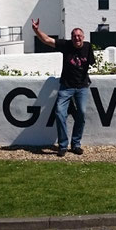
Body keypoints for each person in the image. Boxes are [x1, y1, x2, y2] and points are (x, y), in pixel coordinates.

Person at [32, 18, 95, 157]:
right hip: (66, 87)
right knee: (60, 113)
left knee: (82, 113)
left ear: (83, 37)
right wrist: (36, 30)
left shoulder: (88, 47)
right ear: (71, 37)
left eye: (79, 36)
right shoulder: (66, 45)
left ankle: (76, 144)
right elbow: (48, 40)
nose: (76, 38)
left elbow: (91, 64)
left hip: (82, 87)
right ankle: (63, 145)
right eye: (74, 36)